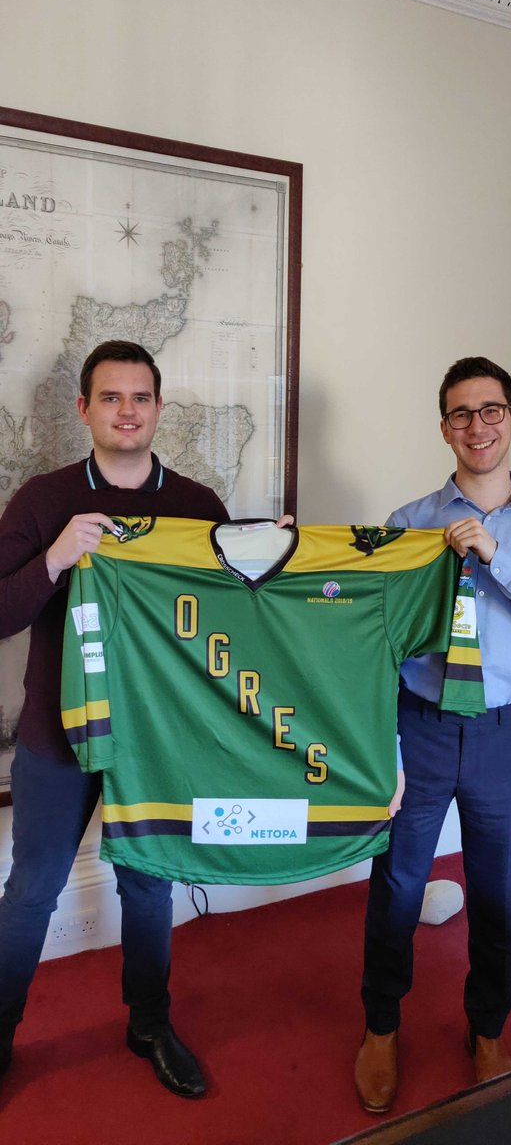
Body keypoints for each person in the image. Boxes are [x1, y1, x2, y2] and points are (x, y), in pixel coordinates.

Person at [0, 340, 232, 1097]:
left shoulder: (198, 506)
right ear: (84, 409)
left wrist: (274, 556)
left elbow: (235, 620)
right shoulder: (43, 500)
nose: (126, 411)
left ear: (158, 408)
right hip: (58, 738)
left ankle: (149, 1024)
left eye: (140, 398)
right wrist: (54, 559)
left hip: (154, 742)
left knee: (148, 887)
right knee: (32, 891)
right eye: (110, 397)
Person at [355, 356, 511, 1113]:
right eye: (459, 414)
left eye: (490, 410)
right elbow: (373, 640)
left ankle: (487, 1029)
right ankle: (381, 1027)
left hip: (506, 734)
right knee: (397, 885)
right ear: (443, 427)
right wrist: (383, 748)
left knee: (497, 892)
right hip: (418, 728)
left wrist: (495, 557)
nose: (476, 426)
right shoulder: (408, 522)